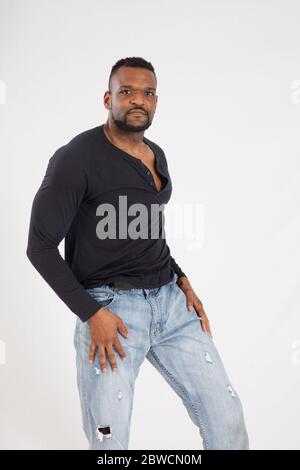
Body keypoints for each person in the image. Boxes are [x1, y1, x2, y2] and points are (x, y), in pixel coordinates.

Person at [26, 56, 249, 450]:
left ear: (156, 101)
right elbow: (40, 246)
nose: (137, 101)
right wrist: (92, 313)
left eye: (146, 93)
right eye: (126, 92)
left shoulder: (155, 154)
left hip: (170, 302)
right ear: (107, 98)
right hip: (111, 311)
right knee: (110, 441)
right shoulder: (75, 159)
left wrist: (181, 278)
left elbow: (147, 229)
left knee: (226, 418)